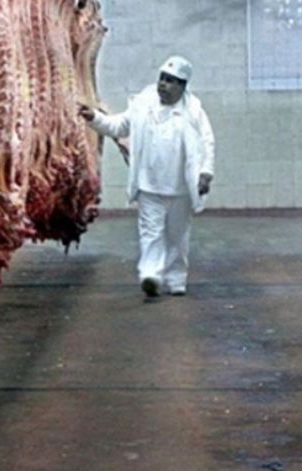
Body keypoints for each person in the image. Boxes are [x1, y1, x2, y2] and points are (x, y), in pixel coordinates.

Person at [78, 56, 215, 298]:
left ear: (182, 86)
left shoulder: (194, 111)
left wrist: (206, 172)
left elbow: (207, 143)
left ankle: (176, 279)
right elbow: (118, 126)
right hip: (149, 187)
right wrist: (94, 118)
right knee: (150, 233)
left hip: (181, 189)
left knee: (177, 237)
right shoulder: (143, 104)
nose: (163, 84)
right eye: (162, 78)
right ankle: (151, 275)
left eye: (170, 81)